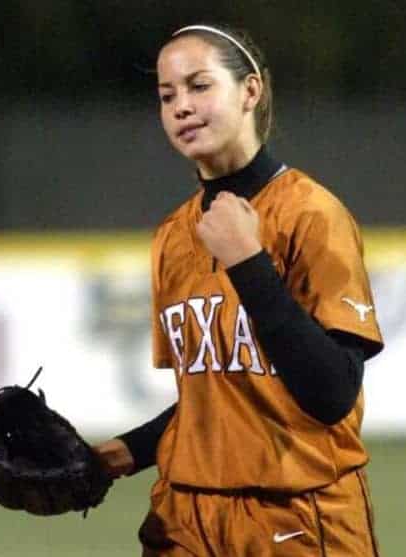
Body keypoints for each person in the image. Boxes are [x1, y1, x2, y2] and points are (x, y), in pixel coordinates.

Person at [93, 23, 384, 556]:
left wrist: (249, 263)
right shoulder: (173, 236)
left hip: (296, 516)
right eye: (166, 95)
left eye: (200, 85)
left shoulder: (311, 215)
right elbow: (214, 400)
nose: (181, 105)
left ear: (250, 91)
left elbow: (332, 393)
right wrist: (126, 453)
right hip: (186, 519)